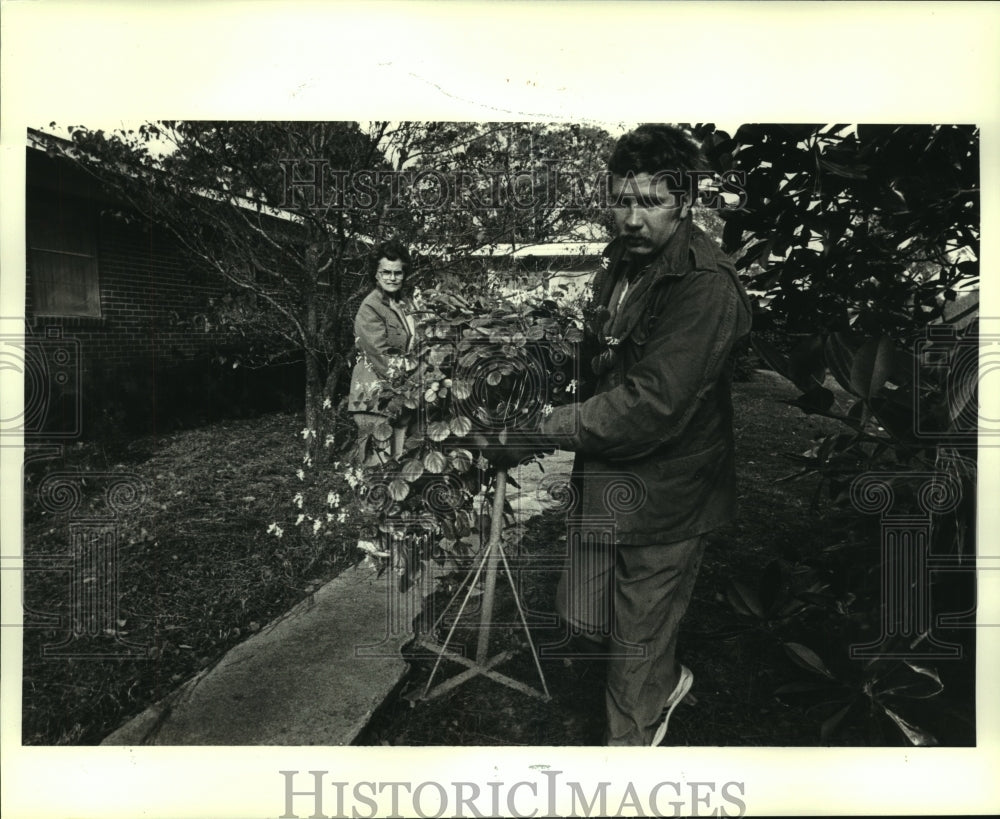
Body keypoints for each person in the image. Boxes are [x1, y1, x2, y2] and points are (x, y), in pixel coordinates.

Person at [527, 124, 752, 745]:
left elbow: (653, 404)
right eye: (621, 199)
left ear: (683, 202)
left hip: (669, 495)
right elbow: (604, 356)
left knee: (634, 646)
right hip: (608, 480)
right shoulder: (621, 261)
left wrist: (543, 427)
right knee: (584, 614)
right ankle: (664, 674)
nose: (630, 217)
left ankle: (632, 744)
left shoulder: (705, 285)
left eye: (650, 202)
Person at [348, 239, 418, 464]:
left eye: (397, 273)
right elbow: (380, 356)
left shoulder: (402, 304)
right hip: (374, 397)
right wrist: (417, 374)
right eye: (386, 272)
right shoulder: (370, 307)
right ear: (376, 275)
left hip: (397, 395)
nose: (392, 277)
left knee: (397, 464)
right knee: (377, 467)